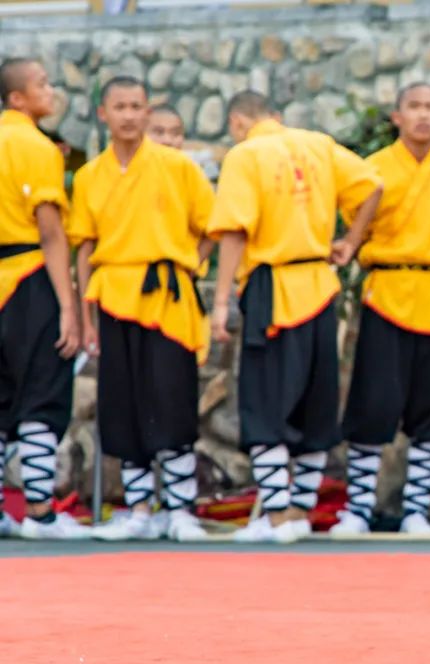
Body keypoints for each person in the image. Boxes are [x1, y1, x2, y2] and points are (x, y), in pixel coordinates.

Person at [208, 90, 382, 543]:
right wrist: (351, 241)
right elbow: (373, 186)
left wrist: (222, 300)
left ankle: (277, 515)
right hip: (320, 284)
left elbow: (233, 231)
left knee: (264, 404)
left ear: (237, 121)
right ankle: (301, 512)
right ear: (276, 116)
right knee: (315, 405)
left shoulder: (245, 154)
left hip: (273, 287)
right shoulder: (318, 144)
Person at [70, 76, 215, 542]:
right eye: (120, 106)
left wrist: (193, 263)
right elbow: (84, 246)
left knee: (172, 400)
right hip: (113, 292)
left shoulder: (178, 167)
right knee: (123, 405)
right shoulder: (91, 175)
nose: (130, 115)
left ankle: (180, 509)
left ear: (148, 113)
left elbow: (213, 225)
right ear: (103, 114)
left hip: (166, 295)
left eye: (137, 106)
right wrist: (84, 314)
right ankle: (137, 508)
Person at [333, 82, 430, 536]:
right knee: (373, 404)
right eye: (413, 106)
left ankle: (416, 509)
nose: (423, 115)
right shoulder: (372, 169)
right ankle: (358, 508)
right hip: (389, 291)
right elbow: (353, 228)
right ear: (396, 116)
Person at [0, 58, 87, 540]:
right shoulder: (33, 145)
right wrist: (69, 307)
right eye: (42, 85)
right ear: (18, 99)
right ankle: (39, 510)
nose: (51, 92)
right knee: (40, 391)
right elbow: (51, 232)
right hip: (29, 276)